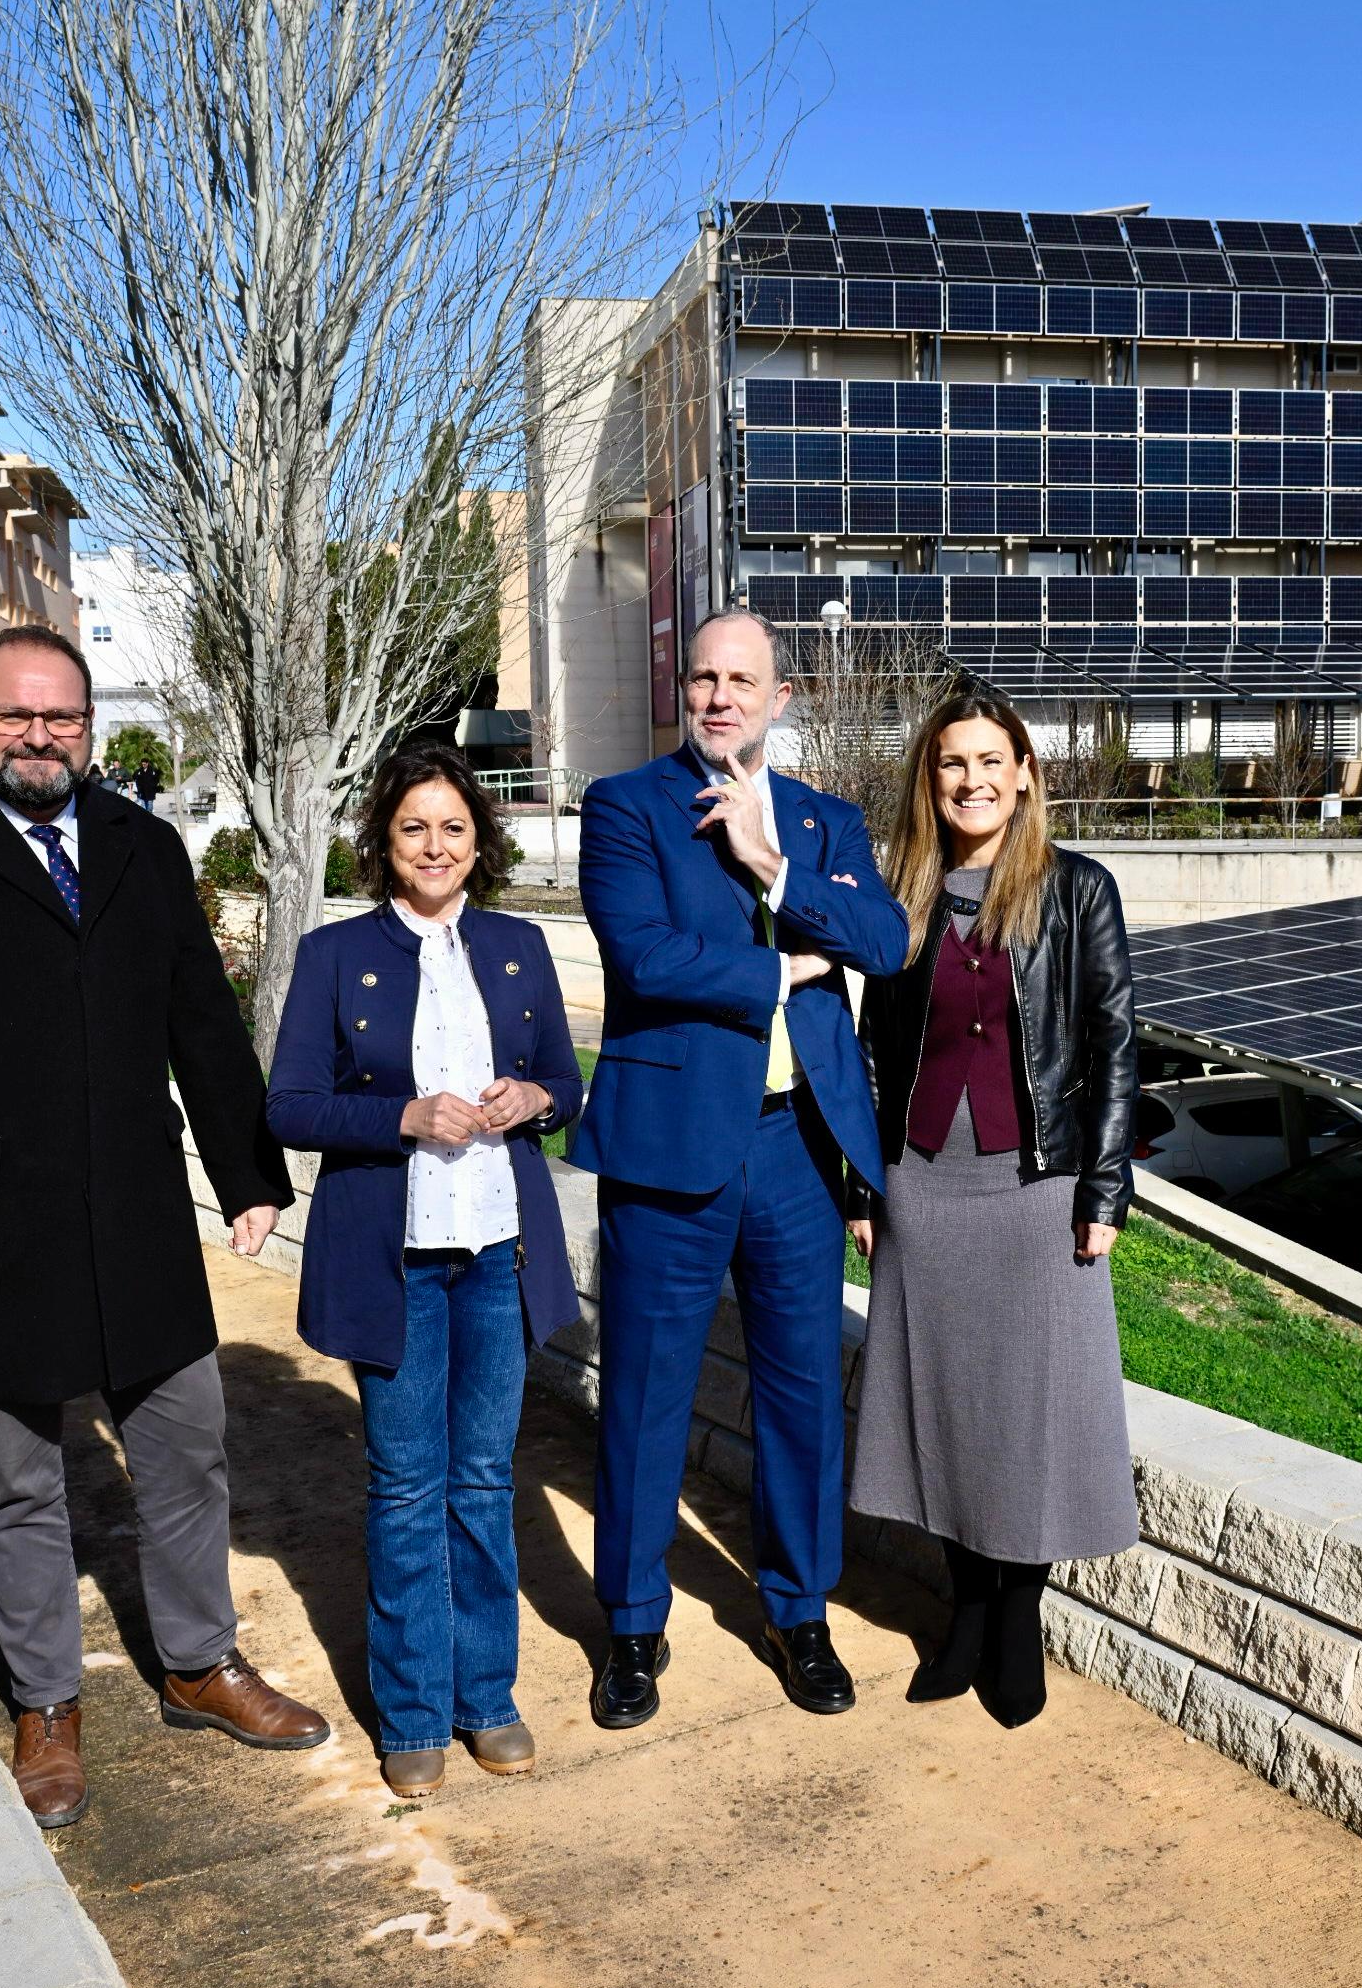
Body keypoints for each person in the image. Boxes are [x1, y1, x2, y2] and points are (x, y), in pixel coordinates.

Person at [0, 625, 317, 1831]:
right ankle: (45, 1702)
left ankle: (196, 1662)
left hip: (134, 1215)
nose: (41, 736)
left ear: (88, 726)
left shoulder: (141, 844)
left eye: (64, 718)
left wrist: (247, 1170)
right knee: (19, 1482)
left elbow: (201, 1020)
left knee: (187, 1450)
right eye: (16, 714)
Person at [570, 609, 909, 1729]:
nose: (719, 696)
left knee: (805, 1392)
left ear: (780, 697)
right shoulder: (627, 807)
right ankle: (630, 1624)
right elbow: (645, 957)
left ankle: (797, 1610)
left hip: (798, 1146)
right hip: (671, 1146)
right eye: (703, 678)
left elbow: (889, 943)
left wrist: (774, 867)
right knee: (646, 1393)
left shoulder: (825, 820)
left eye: (742, 680)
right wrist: (786, 968)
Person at [266, 747, 584, 1799]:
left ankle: (486, 1697)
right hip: (391, 1260)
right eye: (415, 828)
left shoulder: (517, 946)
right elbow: (292, 1105)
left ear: (479, 842)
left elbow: (565, 1082)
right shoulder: (333, 954)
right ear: (384, 842)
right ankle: (411, 1712)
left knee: (486, 1480)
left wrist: (532, 1101)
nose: (436, 846)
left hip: (498, 1250)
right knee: (407, 1489)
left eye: (454, 828)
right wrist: (404, 1115)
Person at [849, 693, 1140, 1728]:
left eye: (988, 760)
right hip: (924, 1187)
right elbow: (872, 1047)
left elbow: (1113, 1045)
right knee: (950, 1414)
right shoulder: (902, 896)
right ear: (929, 782)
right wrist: (864, 1182)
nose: (969, 780)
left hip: (1036, 1190)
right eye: (948, 765)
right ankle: (964, 1613)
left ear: (1023, 771)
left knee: (1031, 1419)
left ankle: (1018, 1622)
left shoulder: (1077, 892)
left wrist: (1106, 1187)